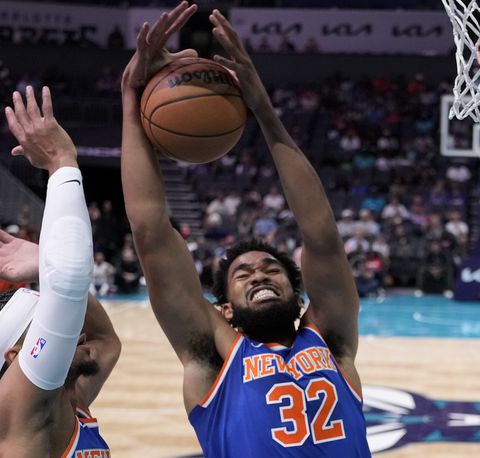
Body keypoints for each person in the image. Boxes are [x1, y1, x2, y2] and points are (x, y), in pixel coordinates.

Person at [120, 3, 369, 455]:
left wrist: (263, 109)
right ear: (224, 310)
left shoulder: (330, 340)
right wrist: (130, 98)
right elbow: (151, 231)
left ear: (298, 294)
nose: (259, 274)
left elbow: (321, 237)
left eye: (272, 269)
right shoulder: (212, 357)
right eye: (243, 274)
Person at [0, 86, 119, 456]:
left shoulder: (66, 400)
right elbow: (67, 288)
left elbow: (107, 342)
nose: (76, 331)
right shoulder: (23, 411)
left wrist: (46, 266)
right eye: (49, 323)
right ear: (17, 356)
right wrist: (62, 163)